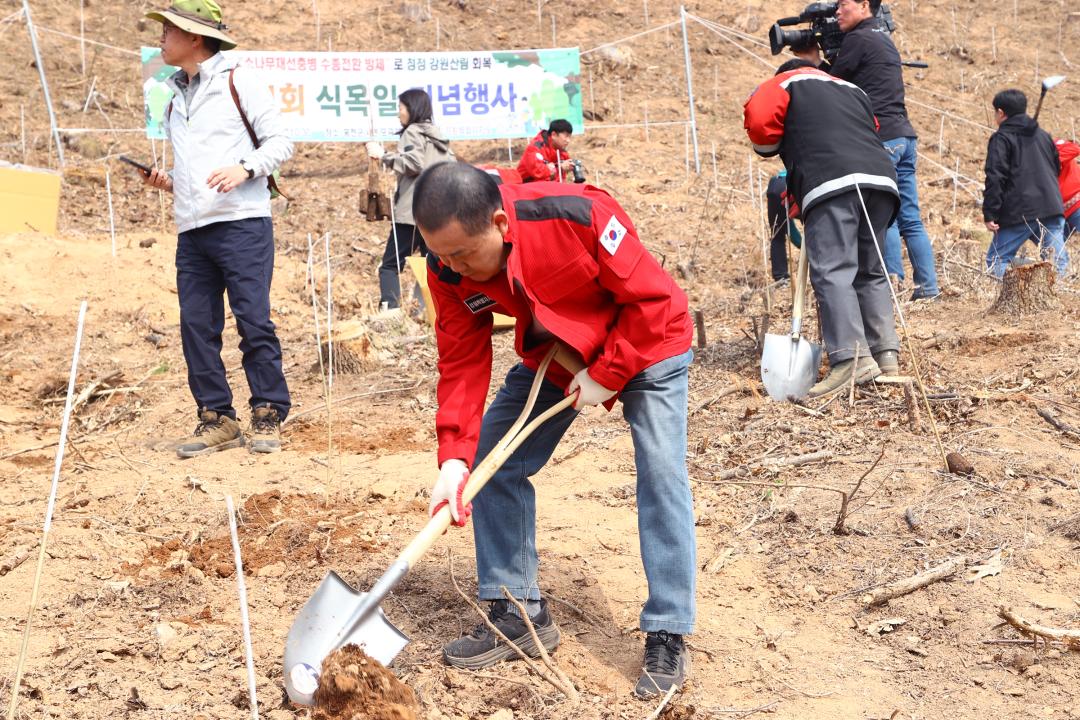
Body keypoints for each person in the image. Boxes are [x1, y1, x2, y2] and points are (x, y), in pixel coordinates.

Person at [412, 162, 696, 699]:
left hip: (649, 343)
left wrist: (609, 372)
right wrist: (454, 458)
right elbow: (461, 361)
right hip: (560, 356)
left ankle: (668, 630)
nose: (453, 268)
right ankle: (516, 610)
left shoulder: (577, 215)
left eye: (464, 255)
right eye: (441, 255)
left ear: (499, 223)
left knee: (661, 475)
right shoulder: (447, 268)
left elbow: (653, 302)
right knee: (491, 460)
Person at [142, 0, 293, 457]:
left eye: (168, 30)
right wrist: (168, 184)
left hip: (242, 224)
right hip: (192, 230)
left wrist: (244, 169)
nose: (161, 39)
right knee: (196, 326)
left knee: (253, 321)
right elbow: (194, 173)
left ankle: (268, 411)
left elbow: (281, 140)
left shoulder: (236, 80)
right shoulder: (175, 97)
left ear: (194, 37)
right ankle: (216, 417)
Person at [744, 59, 901, 397]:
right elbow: (871, 126)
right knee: (870, 271)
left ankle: (851, 361)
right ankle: (885, 356)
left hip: (831, 181)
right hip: (882, 180)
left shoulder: (786, 83)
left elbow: (761, 131)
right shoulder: (852, 89)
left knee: (833, 270)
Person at [795, 0, 941, 300]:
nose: (837, 12)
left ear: (864, 5)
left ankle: (890, 284)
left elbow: (833, 85)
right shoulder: (881, 38)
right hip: (904, 137)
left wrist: (813, 62)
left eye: (843, 5)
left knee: (881, 214)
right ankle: (928, 287)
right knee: (910, 217)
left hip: (881, 139)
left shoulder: (858, 39)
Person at [365, 89, 455, 311]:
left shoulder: (412, 132)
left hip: (412, 212)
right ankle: (424, 312)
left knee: (389, 265)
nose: (398, 114)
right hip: (438, 213)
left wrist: (382, 156)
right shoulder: (437, 136)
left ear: (412, 108)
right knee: (431, 264)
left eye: (400, 108)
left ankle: (390, 312)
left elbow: (414, 162)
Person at [982, 89, 1069, 278]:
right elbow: (1056, 168)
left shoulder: (1001, 138)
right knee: (1056, 262)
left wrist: (990, 213)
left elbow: (995, 177)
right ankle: (1058, 299)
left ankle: (999, 303)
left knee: (996, 261)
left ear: (1000, 112)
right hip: (1051, 205)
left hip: (1019, 210)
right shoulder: (1043, 135)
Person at [765, 169, 802, 282]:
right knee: (814, 226)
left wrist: (802, 245)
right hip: (792, 184)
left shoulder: (788, 167)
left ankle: (780, 277)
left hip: (774, 186)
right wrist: (805, 247)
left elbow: (788, 227)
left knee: (777, 235)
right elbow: (790, 228)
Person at [516, 119, 575, 183]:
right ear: (554, 135)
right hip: (524, 185)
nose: (568, 140)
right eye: (566, 136)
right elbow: (537, 172)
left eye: (569, 137)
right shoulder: (535, 148)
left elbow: (560, 179)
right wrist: (559, 168)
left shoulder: (562, 152)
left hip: (548, 188)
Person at [1054, 138, 1080, 239]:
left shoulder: (1054, 145)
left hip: (1077, 205)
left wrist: (1050, 161)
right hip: (1058, 214)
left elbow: (1074, 149)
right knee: (1050, 251)